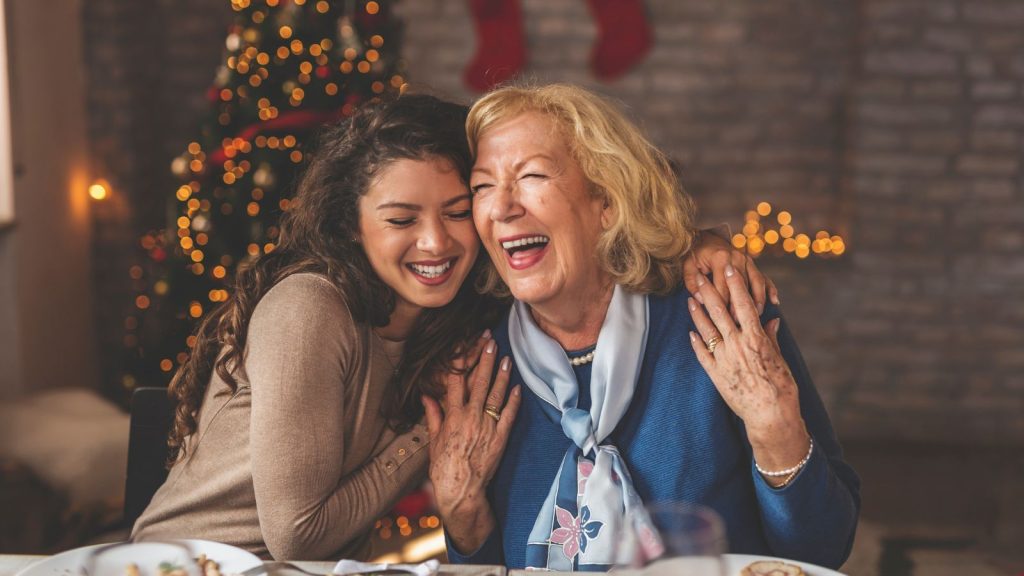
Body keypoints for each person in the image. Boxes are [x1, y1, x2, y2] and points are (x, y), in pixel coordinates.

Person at [131, 93, 769, 560]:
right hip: (185, 563)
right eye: (401, 219)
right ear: (353, 226)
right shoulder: (311, 308)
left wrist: (700, 246)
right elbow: (297, 532)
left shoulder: (464, 316)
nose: (435, 242)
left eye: (459, 210)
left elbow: (607, 233)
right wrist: (422, 436)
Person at [424, 84, 860, 571]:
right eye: (482, 186)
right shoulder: (481, 360)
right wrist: (462, 514)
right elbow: (485, 565)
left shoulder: (718, 314)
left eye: (532, 176)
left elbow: (824, 550)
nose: (502, 207)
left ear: (606, 202)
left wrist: (775, 428)